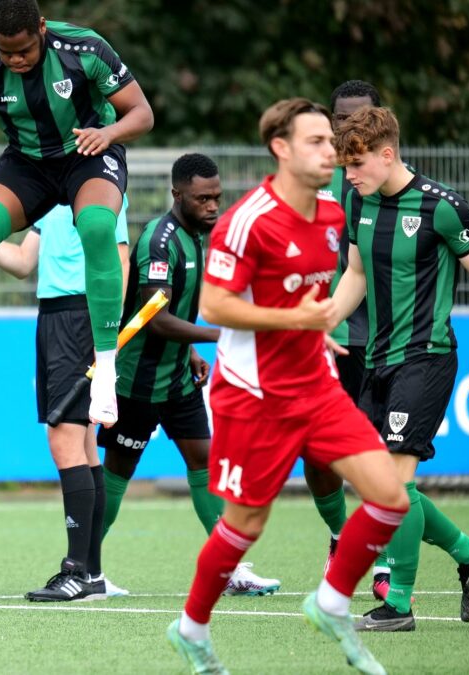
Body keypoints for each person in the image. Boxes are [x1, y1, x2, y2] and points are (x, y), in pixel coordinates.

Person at [167, 98, 409, 675]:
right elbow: (216, 303)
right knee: (246, 525)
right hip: (253, 397)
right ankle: (192, 628)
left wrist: (316, 328)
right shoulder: (247, 219)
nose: (331, 152)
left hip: (315, 386)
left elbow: (314, 294)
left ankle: (330, 601)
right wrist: (297, 321)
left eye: (332, 142)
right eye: (318, 142)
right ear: (281, 148)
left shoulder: (331, 215)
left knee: (390, 497)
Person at [0, 0, 154, 429]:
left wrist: (107, 133)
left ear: (42, 29)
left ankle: (105, 369)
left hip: (88, 150)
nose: (16, 59)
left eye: (25, 50)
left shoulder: (84, 50)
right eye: (6, 51)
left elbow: (142, 113)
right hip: (29, 163)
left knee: (97, 226)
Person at [331, 105, 469, 631]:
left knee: (389, 483)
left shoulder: (441, 206)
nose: (349, 176)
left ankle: (398, 604)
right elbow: (355, 274)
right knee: (376, 482)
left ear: (387, 154)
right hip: (376, 360)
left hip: (426, 359)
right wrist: (321, 325)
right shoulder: (361, 205)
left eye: (356, 165)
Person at [97, 153, 280, 598]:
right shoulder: (160, 242)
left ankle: (230, 568)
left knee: (207, 462)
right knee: (118, 474)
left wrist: (193, 349)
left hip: (178, 380)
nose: (213, 206)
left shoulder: (198, 235)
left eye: (217, 197)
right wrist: (223, 333)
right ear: (177, 194)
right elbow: (154, 318)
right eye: (203, 198)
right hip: (137, 383)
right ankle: (84, 565)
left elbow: (176, 317)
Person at [0, 200, 128, 600]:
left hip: (80, 317)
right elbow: (21, 262)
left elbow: (118, 266)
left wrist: (107, 345)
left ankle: (78, 573)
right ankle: (92, 574)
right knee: (84, 448)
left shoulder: (101, 190)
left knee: (65, 441)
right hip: (52, 317)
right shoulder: (51, 194)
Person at [307, 80, 382, 573]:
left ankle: (385, 566)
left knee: (382, 461)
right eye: (341, 120)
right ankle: (339, 534)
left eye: (361, 118)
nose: (350, 129)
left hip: (384, 340)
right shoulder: (313, 179)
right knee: (315, 453)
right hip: (326, 338)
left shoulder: (395, 180)